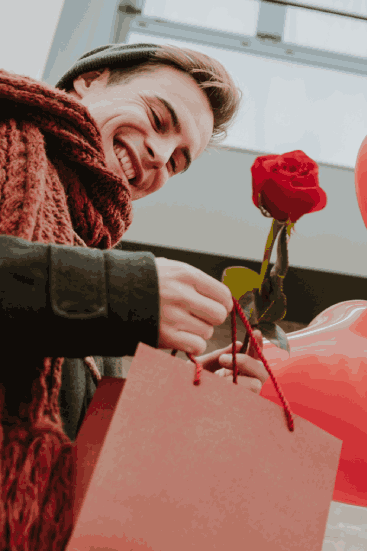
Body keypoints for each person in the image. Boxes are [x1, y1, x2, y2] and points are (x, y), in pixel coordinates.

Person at [0, 42, 266, 550]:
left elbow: (83, 469)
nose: (161, 158)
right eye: (158, 117)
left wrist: (171, 407)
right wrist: (119, 292)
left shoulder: (100, 263)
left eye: (180, 160)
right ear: (90, 80)